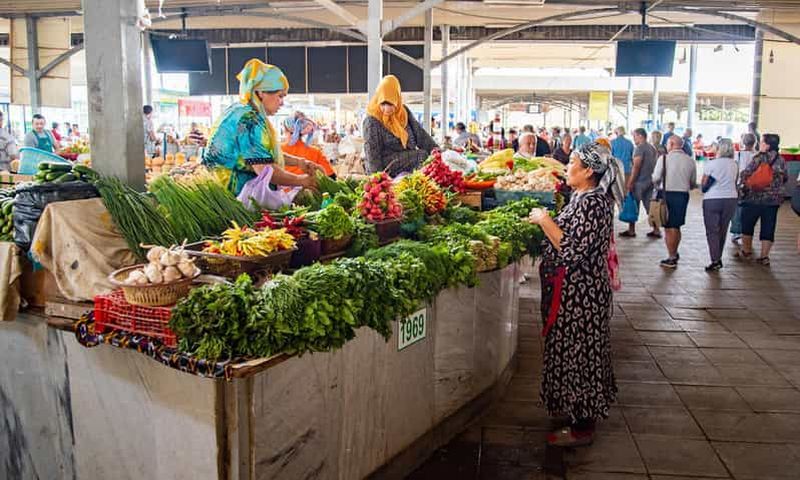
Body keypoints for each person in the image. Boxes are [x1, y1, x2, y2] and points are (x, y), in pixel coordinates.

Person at [527, 142, 623, 447]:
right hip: (570, 293)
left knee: (580, 354)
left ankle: (583, 427)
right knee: (567, 350)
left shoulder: (593, 203)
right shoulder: (581, 196)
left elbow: (570, 248)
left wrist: (545, 221)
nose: (566, 166)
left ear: (589, 171)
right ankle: (571, 410)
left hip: (581, 296)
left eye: (572, 163)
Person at [203, 59, 318, 197]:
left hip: (223, 192)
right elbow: (264, 169)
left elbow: (263, 155)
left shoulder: (241, 110)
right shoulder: (250, 120)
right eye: (279, 96)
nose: (281, 103)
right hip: (234, 196)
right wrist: (301, 180)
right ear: (261, 92)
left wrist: (299, 162)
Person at [363, 75, 438, 177]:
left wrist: (437, 152)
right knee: (421, 156)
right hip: (386, 166)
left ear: (397, 100)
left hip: (407, 160)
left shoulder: (403, 112)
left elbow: (420, 134)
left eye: (390, 104)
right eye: (383, 104)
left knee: (428, 157)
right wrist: (379, 179)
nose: (386, 109)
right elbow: (372, 155)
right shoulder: (372, 121)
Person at [736, 133, 788, 265]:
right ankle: (764, 256)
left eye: (762, 142)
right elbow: (785, 178)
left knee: (747, 224)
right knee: (768, 227)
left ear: (768, 145)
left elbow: (746, 173)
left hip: (754, 197)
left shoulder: (759, 158)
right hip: (773, 200)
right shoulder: (781, 160)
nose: (760, 144)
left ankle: (746, 251)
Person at [652, 135, 697, 268]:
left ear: (671, 144)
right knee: (676, 226)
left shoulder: (663, 158)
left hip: (666, 194)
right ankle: (674, 252)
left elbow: (655, 178)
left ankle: (671, 257)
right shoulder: (690, 160)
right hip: (682, 195)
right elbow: (693, 182)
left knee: (668, 226)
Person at [700, 138, 739, 272]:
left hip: (712, 198)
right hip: (731, 199)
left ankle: (715, 259)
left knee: (712, 230)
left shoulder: (712, 164)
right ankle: (718, 257)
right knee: (723, 229)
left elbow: (704, 183)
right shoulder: (735, 164)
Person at [621, 128, 659, 238]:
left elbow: (636, 166)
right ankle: (656, 230)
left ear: (641, 136)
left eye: (635, 136)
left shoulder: (639, 148)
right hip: (650, 181)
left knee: (633, 205)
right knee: (649, 207)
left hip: (639, 182)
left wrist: (630, 182)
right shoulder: (652, 148)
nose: (634, 138)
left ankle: (631, 230)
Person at [281, 111, 335, 178]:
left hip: (282, 187)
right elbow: (331, 176)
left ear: (285, 129)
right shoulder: (315, 152)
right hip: (309, 187)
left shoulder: (278, 150)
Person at [730, 133, 757, 243]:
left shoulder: (738, 155)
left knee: (737, 208)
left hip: (740, 184)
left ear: (743, 142)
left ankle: (737, 231)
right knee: (750, 208)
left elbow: (734, 169)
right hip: (754, 185)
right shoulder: (758, 155)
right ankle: (747, 231)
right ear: (754, 142)